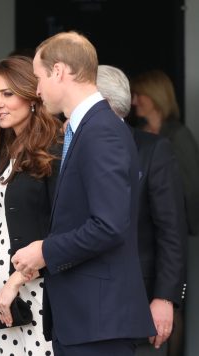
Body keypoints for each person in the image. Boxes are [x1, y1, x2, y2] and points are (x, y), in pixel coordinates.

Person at [11, 31, 156, 355]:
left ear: (60, 71)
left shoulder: (101, 131)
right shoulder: (89, 127)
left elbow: (108, 225)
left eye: (39, 77)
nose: (36, 90)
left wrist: (44, 251)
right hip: (86, 318)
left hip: (98, 320)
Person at [0, 55, 61, 356]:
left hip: (37, 293)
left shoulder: (54, 149)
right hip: (7, 298)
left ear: (32, 97)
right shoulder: (8, 150)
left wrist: (15, 282)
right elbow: (5, 229)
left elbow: (61, 229)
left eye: (8, 94)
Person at [97, 64, 187, 355]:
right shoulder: (64, 148)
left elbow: (171, 230)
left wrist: (165, 297)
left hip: (138, 300)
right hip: (84, 306)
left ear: (103, 102)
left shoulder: (153, 149)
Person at [131, 69, 199, 238]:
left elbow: (191, 189)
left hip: (176, 230)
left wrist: (190, 232)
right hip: (145, 230)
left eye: (139, 94)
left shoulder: (178, 134)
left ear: (155, 96)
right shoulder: (137, 133)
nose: (134, 101)